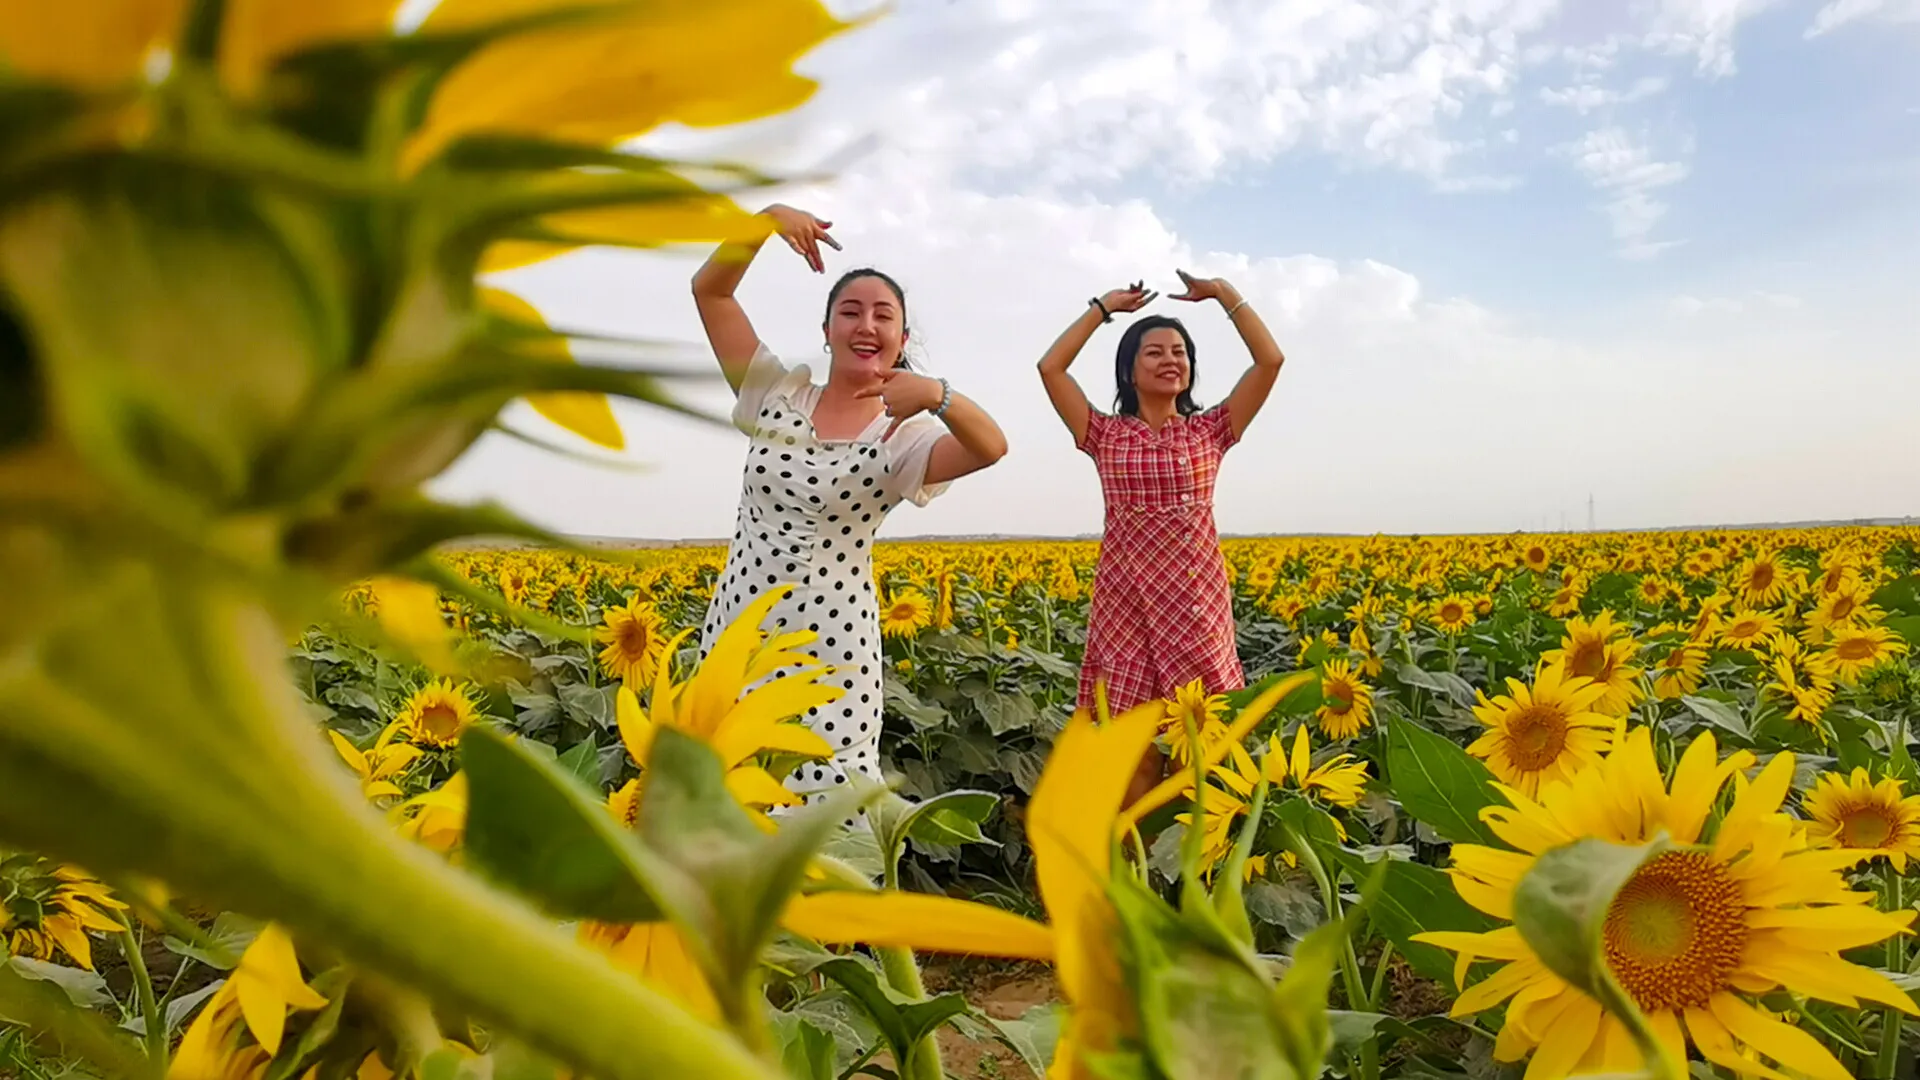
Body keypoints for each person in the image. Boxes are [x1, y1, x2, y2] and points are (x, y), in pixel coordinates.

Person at [691, 204, 1008, 806]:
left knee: (825, 814)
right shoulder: (773, 392)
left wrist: (939, 396)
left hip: (832, 647)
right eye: (851, 312)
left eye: (883, 315)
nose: (866, 324)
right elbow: (711, 292)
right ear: (828, 329)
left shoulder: (903, 437)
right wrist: (762, 223)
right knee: (723, 795)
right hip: (740, 632)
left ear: (902, 338)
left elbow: (990, 446)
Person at [1036, 271, 1286, 800]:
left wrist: (1223, 292)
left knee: (1205, 748)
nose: (1171, 360)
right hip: (1124, 607)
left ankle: (1200, 866)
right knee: (1133, 752)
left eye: (1180, 352)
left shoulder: (1210, 430)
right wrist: (1103, 308)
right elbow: (1050, 367)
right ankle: (1131, 866)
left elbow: (1270, 362)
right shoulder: (1102, 433)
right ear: (1128, 370)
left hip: (1194, 606)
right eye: (1154, 352)